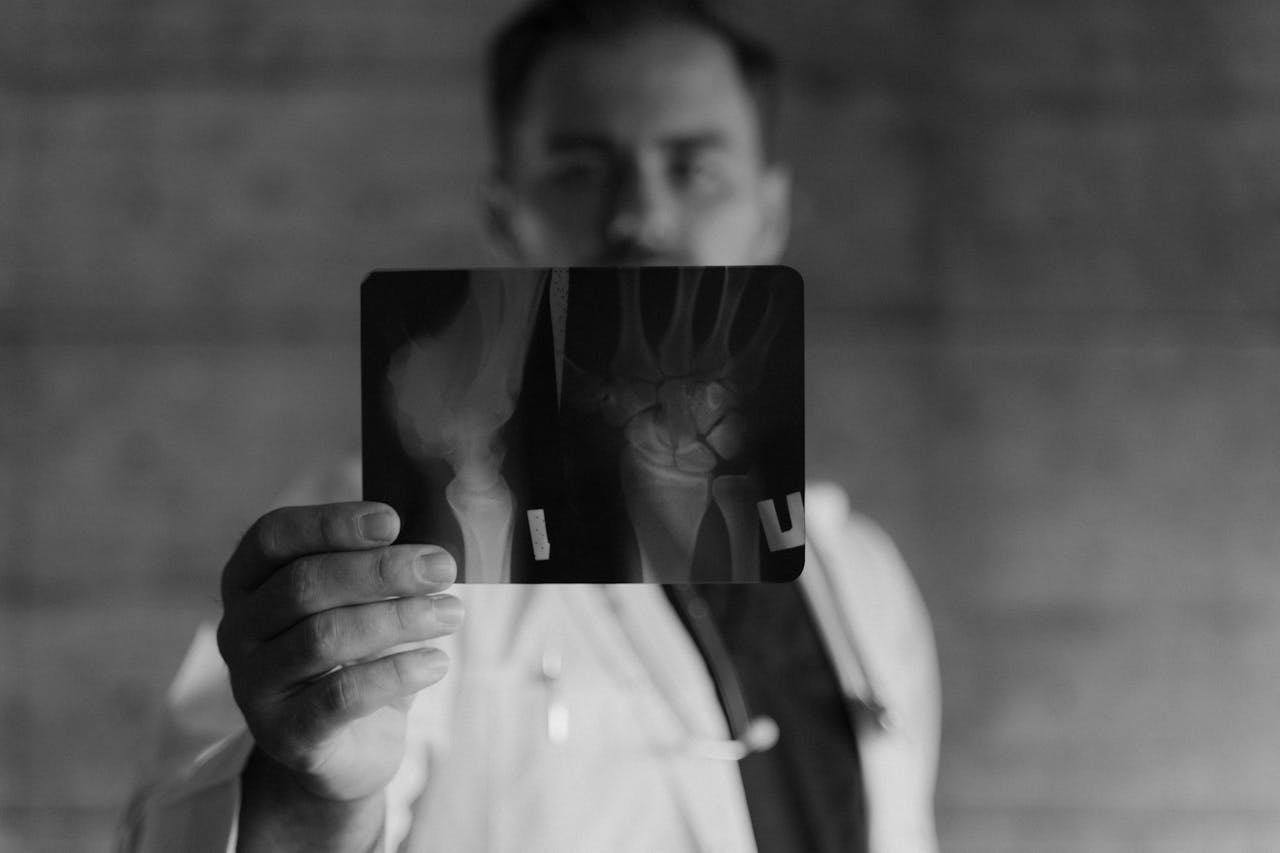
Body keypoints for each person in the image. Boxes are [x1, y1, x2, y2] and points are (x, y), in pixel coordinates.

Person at [120, 1, 940, 851]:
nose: (641, 217)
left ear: (769, 215)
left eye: (695, 168)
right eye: (580, 169)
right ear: (506, 218)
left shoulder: (861, 576)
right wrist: (316, 792)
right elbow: (186, 829)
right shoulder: (388, 536)